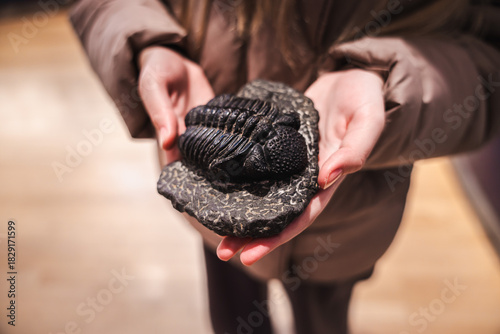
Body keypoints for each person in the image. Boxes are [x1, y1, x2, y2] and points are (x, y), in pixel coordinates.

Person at [70, 0, 500, 333]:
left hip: (349, 227)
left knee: (321, 316)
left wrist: (386, 81)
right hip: (214, 160)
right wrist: (147, 42)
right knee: (231, 304)